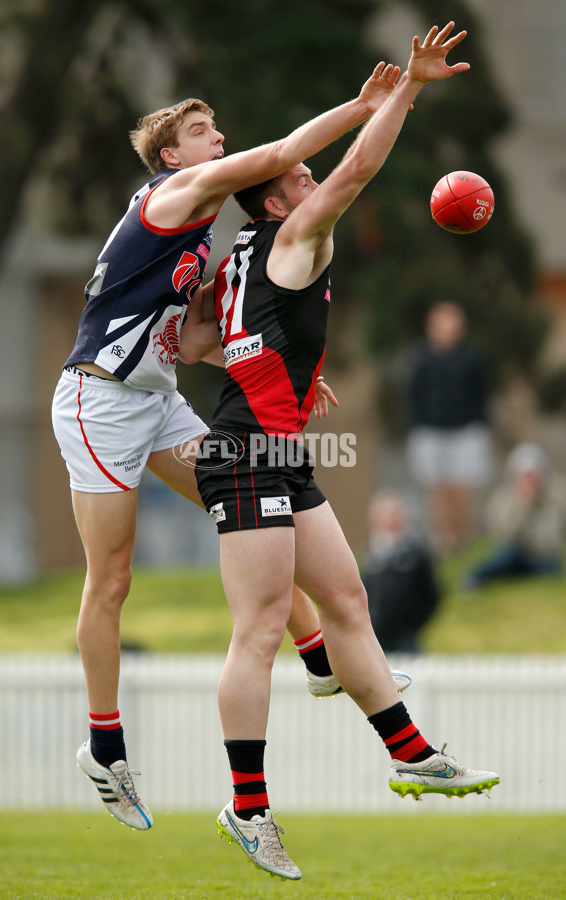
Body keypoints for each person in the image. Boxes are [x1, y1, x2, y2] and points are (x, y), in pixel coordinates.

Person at [51, 70, 412, 831]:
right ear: (173, 158)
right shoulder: (173, 196)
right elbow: (282, 151)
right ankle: (103, 745)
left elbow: (197, 341)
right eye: (202, 133)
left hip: (155, 401)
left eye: (215, 129)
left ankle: (321, 656)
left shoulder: (196, 225)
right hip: (100, 405)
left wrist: (275, 371)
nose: (217, 139)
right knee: (111, 578)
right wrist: (362, 106)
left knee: (246, 497)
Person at [186, 22, 499, 881]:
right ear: (278, 204)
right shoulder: (294, 238)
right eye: (299, 176)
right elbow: (359, 168)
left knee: (350, 601)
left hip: (273, 444)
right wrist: (410, 89)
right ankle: (247, 808)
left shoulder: (246, 253)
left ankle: (410, 754)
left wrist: (274, 369)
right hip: (247, 451)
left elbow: (195, 342)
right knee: (256, 634)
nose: (313, 176)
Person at [406, 301, 492, 553]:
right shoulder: (421, 361)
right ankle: (443, 540)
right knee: (437, 486)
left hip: (465, 430)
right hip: (430, 431)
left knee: (462, 486)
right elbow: (413, 397)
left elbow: (479, 395)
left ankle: (464, 538)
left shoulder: (470, 360)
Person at [464, 442, 566, 590]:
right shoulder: (502, 499)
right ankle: (476, 577)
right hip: (515, 553)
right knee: (505, 558)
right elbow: (503, 536)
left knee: (550, 567)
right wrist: (522, 506)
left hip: (543, 555)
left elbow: (552, 537)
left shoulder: (558, 493)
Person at [360, 490, 440, 653]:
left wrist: (414, 623)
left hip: (406, 636)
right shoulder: (371, 553)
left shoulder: (415, 554)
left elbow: (431, 593)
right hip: (377, 633)